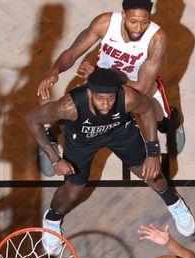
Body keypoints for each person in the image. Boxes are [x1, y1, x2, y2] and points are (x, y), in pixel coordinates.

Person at [26, 67, 194, 255]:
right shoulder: (69, 106)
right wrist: (54, 159)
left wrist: (153, 153)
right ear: (89, 92)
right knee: (72, 190)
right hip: (82, 141)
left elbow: (147, 110)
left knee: (152, 174)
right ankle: (52, 219)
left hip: (121, 133)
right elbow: (32, 119)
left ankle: (174, 203)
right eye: (100, 98)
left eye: (110, 98)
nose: (106, 105)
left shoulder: (127, 97)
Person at [36, 0, 184, 176]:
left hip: (139, 86)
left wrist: (98, 77)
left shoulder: (157, 38)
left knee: (163, 124)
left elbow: (142, 87)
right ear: (123, 15)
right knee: (75, 113)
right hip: (102, 83)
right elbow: (73, 52)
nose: (138, 28)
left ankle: (173, 122)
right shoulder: (104, 23)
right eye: (133, 22)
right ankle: (51, 136)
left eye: (144, 22)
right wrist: (55, 70)